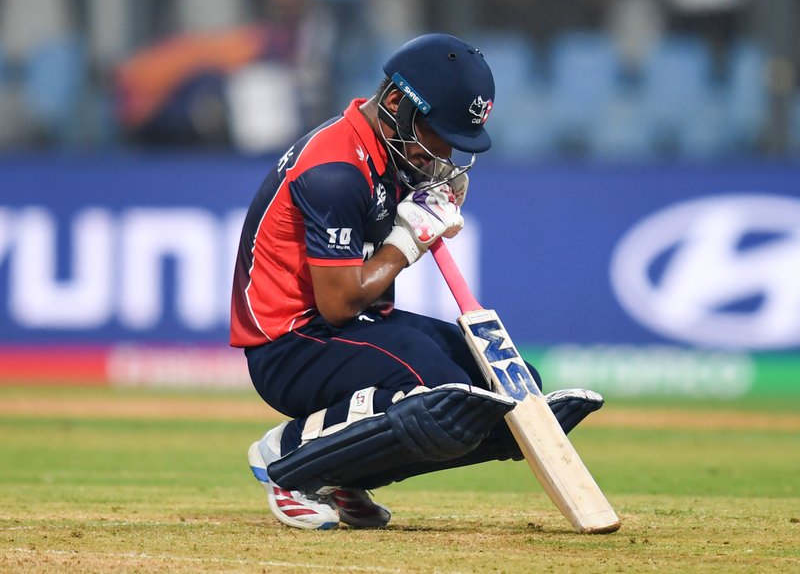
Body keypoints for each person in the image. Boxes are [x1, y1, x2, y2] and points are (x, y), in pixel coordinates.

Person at [231, 33, 605, 530]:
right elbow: (339, 303)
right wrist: (410, 239)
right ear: (394, 104)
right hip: (292, 344)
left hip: (353, 327)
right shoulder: (335, 169)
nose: (444, 151)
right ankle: (290, 459)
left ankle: (341, 473)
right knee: (444, 396)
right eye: (438, 133)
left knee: (509, 392)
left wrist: (426, 193)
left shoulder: (391, 152)